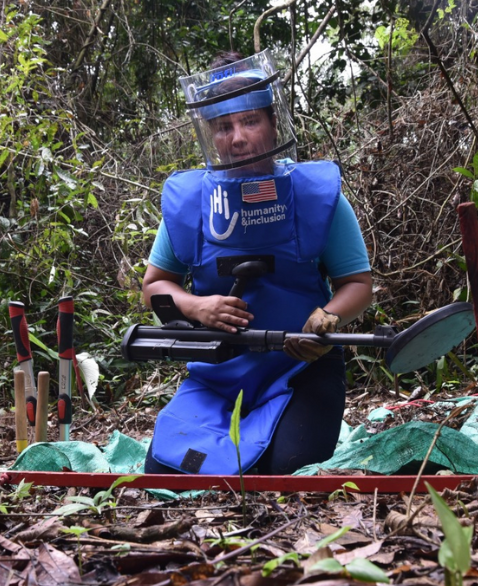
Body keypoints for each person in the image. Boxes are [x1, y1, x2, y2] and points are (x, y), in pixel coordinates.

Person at [141, 50, 373, 475]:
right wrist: (196, 306)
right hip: (217, 371)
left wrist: (325, 318)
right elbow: (155, 285)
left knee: (281, 469)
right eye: (224, 126)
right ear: (210, 133)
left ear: (272, 122)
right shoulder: (191, 202)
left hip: (302, 368)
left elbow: (357, 282)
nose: (238, 138)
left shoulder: (313, 195)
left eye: (250, 120)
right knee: (168, 470)